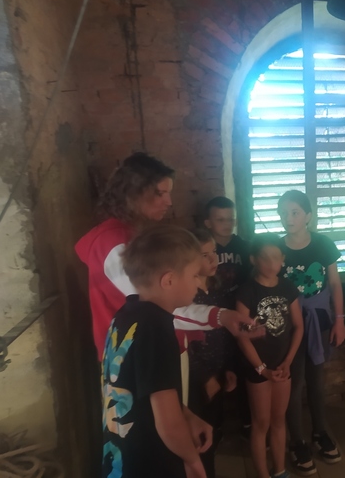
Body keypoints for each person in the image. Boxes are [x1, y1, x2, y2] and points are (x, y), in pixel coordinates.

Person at [75, 152, 255, 361]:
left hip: (152, 345)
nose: (169, 202)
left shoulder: (135, 234)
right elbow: (159, 304)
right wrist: (219, 316)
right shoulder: (113, 244)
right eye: (160, 193)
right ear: (134, 193)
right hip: (133, 356)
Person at [101, 225, 212, 478]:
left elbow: (147, 388)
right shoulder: (156, 330)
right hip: (149, 464)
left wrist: (187, 415)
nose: (199, 283)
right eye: (195, 275)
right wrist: (193, 462)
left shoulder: (126, 315)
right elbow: (168, 424)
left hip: (120, 459)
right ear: (169, 280)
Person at [278, 190, 345, 476]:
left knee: (317, 381)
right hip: (288, 326)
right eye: (283, 212)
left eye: (294, 212)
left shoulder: (323, 244)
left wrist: (340, 320)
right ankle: (297, 441)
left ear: (307, 215)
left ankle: (320, 432)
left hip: (319, 321)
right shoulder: (276, 248)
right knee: (294, 384)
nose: (288, 218)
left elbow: (335, 283)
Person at [235, 233, 304, 478]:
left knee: (278, 420)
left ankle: (280, 470)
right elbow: (241, 335)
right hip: (258, 367)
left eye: (276, 257)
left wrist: (288, 361)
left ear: (283, 259)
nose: (271, 263)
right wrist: (261, 369)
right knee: (261, 423)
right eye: (264, 257)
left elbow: (298, 326)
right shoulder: (247, 291)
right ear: (254, 259)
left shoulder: (287, 287)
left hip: (282, 365)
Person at [186, 228, 239, 478]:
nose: (213, 259)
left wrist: (229, 367)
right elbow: (185, 343)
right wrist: (204, 377)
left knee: (214, 429)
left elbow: (225, 332)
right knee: (198, 437)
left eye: (214, 252)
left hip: (218, 370)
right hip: (195, 378)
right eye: (204, 255)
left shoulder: (218, 288)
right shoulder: (186, 295)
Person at [203, 196, 252, 438]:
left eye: (230, 219)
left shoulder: (243, 246)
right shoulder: (203, 250)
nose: (226, 224)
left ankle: (248, 420)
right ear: (208, 223)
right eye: (220, 219)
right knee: (215, 370)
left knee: (243, 366)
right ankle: (214, 423)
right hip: (210, 318)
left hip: (240, 314)